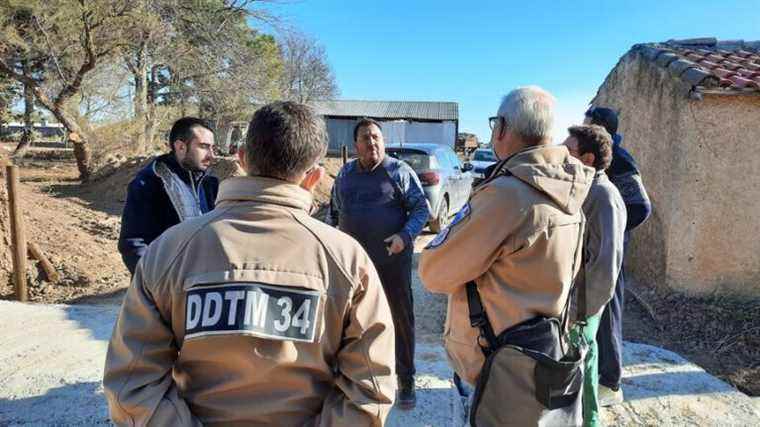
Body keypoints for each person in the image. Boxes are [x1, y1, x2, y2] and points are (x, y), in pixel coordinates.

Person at [104, 102, 397, 426]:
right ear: (314, 177)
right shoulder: (348, 261)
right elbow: (371, 390)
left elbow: (131, 387)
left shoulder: (167, 253)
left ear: (242, 159)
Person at [419, 86, 594, 419]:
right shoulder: (571, 189)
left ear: (501, 128)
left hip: (492, 367)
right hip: (540, 355)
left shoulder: (506, 197)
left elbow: (433, 273)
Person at [328, 117, 429, 409]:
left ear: (382, 141)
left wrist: (404, 236)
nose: (372, 143)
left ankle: (406, 378)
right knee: (350, 321)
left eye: (376, 137)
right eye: (365, 138)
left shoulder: (399, 171)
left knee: (399, 320)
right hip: (353, 266)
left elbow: (423, 209)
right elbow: (334, 213)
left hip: (391, 262)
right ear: (355, 144)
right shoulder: (345, 174)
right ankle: (354, 376)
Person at [584, 107, 652, 406]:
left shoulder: (620, 159)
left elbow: (640, 205)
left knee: (609, 312)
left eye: (588, 124)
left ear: (600, 128)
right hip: (595, 247)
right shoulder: (599, 157)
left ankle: (610, 385)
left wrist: (614, 231)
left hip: (611, 248)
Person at [564, 124, 627, 426]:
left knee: (584, 362)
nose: (562, 157)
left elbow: (606, 264)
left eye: (569, 151)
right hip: (573, 300)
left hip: (584, 305)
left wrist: (584, 313)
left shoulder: (604, 196)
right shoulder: (584, 187)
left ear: (587, 159)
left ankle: (590, 421)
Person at [117, 117, 219, 275]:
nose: (211, 155)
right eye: (204, 147)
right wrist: (155, 283)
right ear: (180, 147)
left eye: (213, 148)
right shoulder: (148, 183)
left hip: (202, 287)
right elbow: (133, 243)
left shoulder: (211, 184)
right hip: (164, 287)